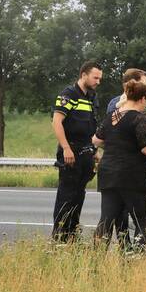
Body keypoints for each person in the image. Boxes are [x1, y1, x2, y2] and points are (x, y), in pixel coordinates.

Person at [92, 78, 146, 245]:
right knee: (142, 220)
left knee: (106, 221)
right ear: (142, 99)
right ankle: (138, 258)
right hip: (131, 176)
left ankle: (95, 260)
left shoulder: (111, 116)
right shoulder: (137, 118)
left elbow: (96, 140)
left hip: (108, 174)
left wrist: (116, 144)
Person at [51, 62, 103, 241]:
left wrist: (94, 150)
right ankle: (59, 237)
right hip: (70, 151)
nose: (98, 81)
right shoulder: (69, 94)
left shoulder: (91, 97)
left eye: (99, 78)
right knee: (66, 196)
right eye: (95, 77)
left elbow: (90, 127)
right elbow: (57, 122)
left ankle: (71, 234)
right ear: (83, 75)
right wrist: (66, 147)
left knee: (78, 196)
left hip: (86, 152)